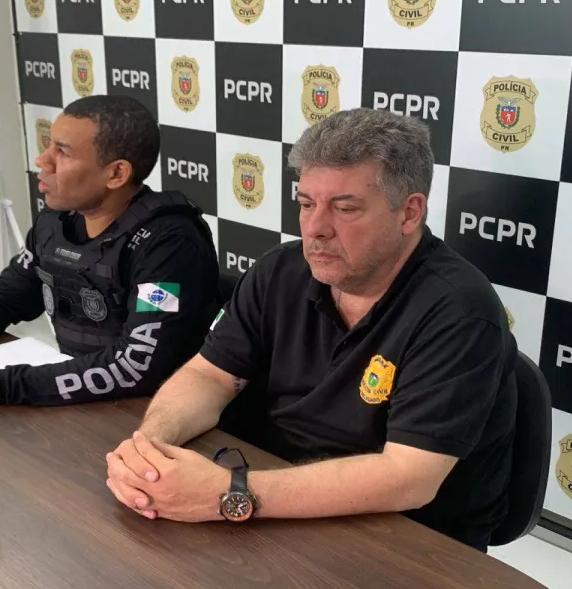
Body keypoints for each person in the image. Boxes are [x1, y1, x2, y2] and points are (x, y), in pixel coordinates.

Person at [103, 108, 517, 552]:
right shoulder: (280, 270)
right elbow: (211, 375)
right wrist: (151, 449)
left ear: (409, 212)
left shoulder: (459, 310)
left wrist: (229, 492)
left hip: (407, 538)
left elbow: (408, 478)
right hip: (273, 491)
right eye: (306, 204)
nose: (315, 229)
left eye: (345, 208)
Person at [0, 95, 219, 407]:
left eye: (62, 152)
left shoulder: (169, 242)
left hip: (158, 417)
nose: (41, 160)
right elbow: (5, 297)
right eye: (48, 146)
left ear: (116, 173)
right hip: (84, 408)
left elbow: (139, 366)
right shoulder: (56, 221)